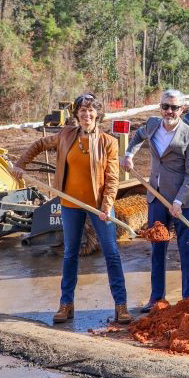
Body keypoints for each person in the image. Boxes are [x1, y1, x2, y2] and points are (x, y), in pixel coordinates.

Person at [13, 94, 131, 324]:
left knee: (112, 254)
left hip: (99, 207)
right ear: (76, 114)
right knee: (70, 254)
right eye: (82, 111)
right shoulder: (66, 135)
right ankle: (66, 305)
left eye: (90, 110)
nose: (86, 114)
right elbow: (39, 144)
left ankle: (121, 306)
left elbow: (113, 178)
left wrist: (106, 205)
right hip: (70, 205)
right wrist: (20, 165)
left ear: (97, 113)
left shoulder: (109, 142)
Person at [120, 89, 189, 313]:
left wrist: (178, 201)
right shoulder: (153, 124)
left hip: (183, 202)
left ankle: (188, 299)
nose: (169, 111)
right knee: (157, 248)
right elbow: (137, 137)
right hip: (155, 196)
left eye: (174, 107)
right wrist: (129, 155)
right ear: (160, 107)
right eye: (166, 106)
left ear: (182, 109)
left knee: (187, 250)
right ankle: (157, 298)